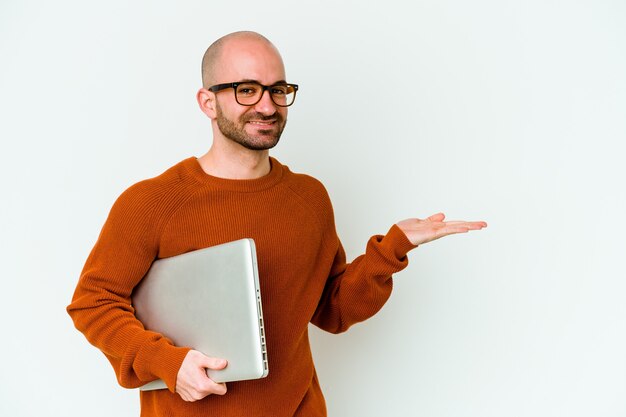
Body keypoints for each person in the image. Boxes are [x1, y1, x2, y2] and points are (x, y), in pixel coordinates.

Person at [67, 31, 487, 417]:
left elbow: (332, 310)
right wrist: (167, 362)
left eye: (278, 90)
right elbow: (93, 302)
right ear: (207, 102)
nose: (266, 106)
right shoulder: (152, 202)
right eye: (246, 90)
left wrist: (393, 248)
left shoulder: (308, 197)